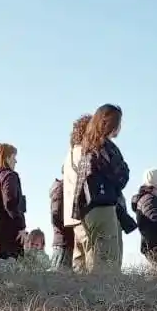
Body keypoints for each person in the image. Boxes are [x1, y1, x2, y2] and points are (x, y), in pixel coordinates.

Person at [67, 104, 130, 273]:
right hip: (104, 207)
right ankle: (105, 298)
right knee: (108, 262)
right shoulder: (105, 147)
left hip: (87, 209)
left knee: (92, 260)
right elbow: (121, 176)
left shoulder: (87, 147)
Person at [60, 115, 91, 270]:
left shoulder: (70, 154)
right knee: (91, 257)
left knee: (79, 260)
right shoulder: (82, 153)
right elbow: (88, 180)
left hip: (72, 215)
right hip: (84, 213)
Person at [48, 177, 73, 271]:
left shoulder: (61, 188)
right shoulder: (62, 188)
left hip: (63, 243)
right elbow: (56, 215)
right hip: (64, 244)